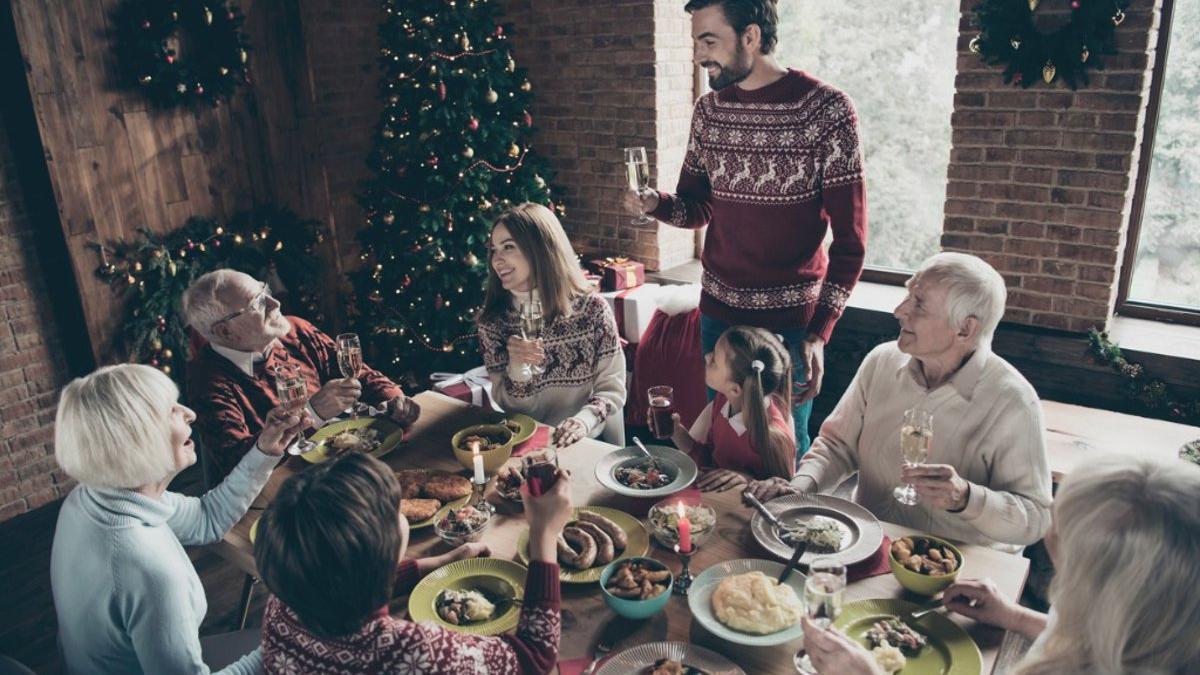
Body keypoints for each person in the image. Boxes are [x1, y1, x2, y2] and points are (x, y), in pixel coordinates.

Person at [622, 0, 867, 455]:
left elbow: (851, 245)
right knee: (723, 441)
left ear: (751, 37)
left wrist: (818, 333)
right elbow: (696, 210)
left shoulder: (827, 112)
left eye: (709, 40)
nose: (699, 54)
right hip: (718, 318)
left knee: (783, 449)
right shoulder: (709, 112)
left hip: (789, 329)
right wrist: (655, 203)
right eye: (697, 41)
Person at [747, 253, 1052, 551]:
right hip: (867, 547)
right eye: (908, 295)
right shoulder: (881, 361)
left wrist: (966, 498)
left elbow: (1036, 518)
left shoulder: (1013, 402)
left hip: (956, 573)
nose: (899, 310)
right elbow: (837, 446)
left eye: (919, 303)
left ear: (965, 328)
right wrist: (798, 489)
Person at [800, 454, 1200, 675]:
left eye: (1063, 548)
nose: (1049, 536)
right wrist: (1017, 617)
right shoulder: (1158, 631)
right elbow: (1104, 638)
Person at [50, 364, 306, 674]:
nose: (190, 413)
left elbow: (206, 518)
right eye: (170, 411)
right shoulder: (150, 572)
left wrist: (264, 450)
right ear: (137, 440)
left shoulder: (92, 496)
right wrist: (284, 650)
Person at [254, 452, 572, 674]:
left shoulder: (281, 605)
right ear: (385, 545)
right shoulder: (410, 652)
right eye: (396, 510)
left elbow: (339, 579)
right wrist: (544, 533)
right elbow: (533, 658)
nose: (403, 513)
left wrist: (438, 562)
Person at [182, 269, 420, 480]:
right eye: (257, 303)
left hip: (345, 464)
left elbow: (360, 375)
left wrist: (393, 400)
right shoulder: (207, 380)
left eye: (265, 290)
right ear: (225, 331)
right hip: (288, 489)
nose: (275, 303)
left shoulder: (295, 330)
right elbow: (236, 463)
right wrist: (312, 414)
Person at [476, 203, 627, 447]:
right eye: (493, 250)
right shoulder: (493, 323)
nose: (496, 260)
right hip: (529, 445)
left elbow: (612, 387)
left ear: (540, 249)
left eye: (508, 247)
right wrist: (518, 368)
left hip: (590, 441)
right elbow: (514, 410)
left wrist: (582, 422)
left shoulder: (592, 310)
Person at [667, 325, 795, 492]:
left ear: (735, 389)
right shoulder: (722, 401)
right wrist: (676, 431)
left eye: (714, 361)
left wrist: (746, 480)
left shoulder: (773, 436)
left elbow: (781, 492)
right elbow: (709, 460)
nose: (707, 357)